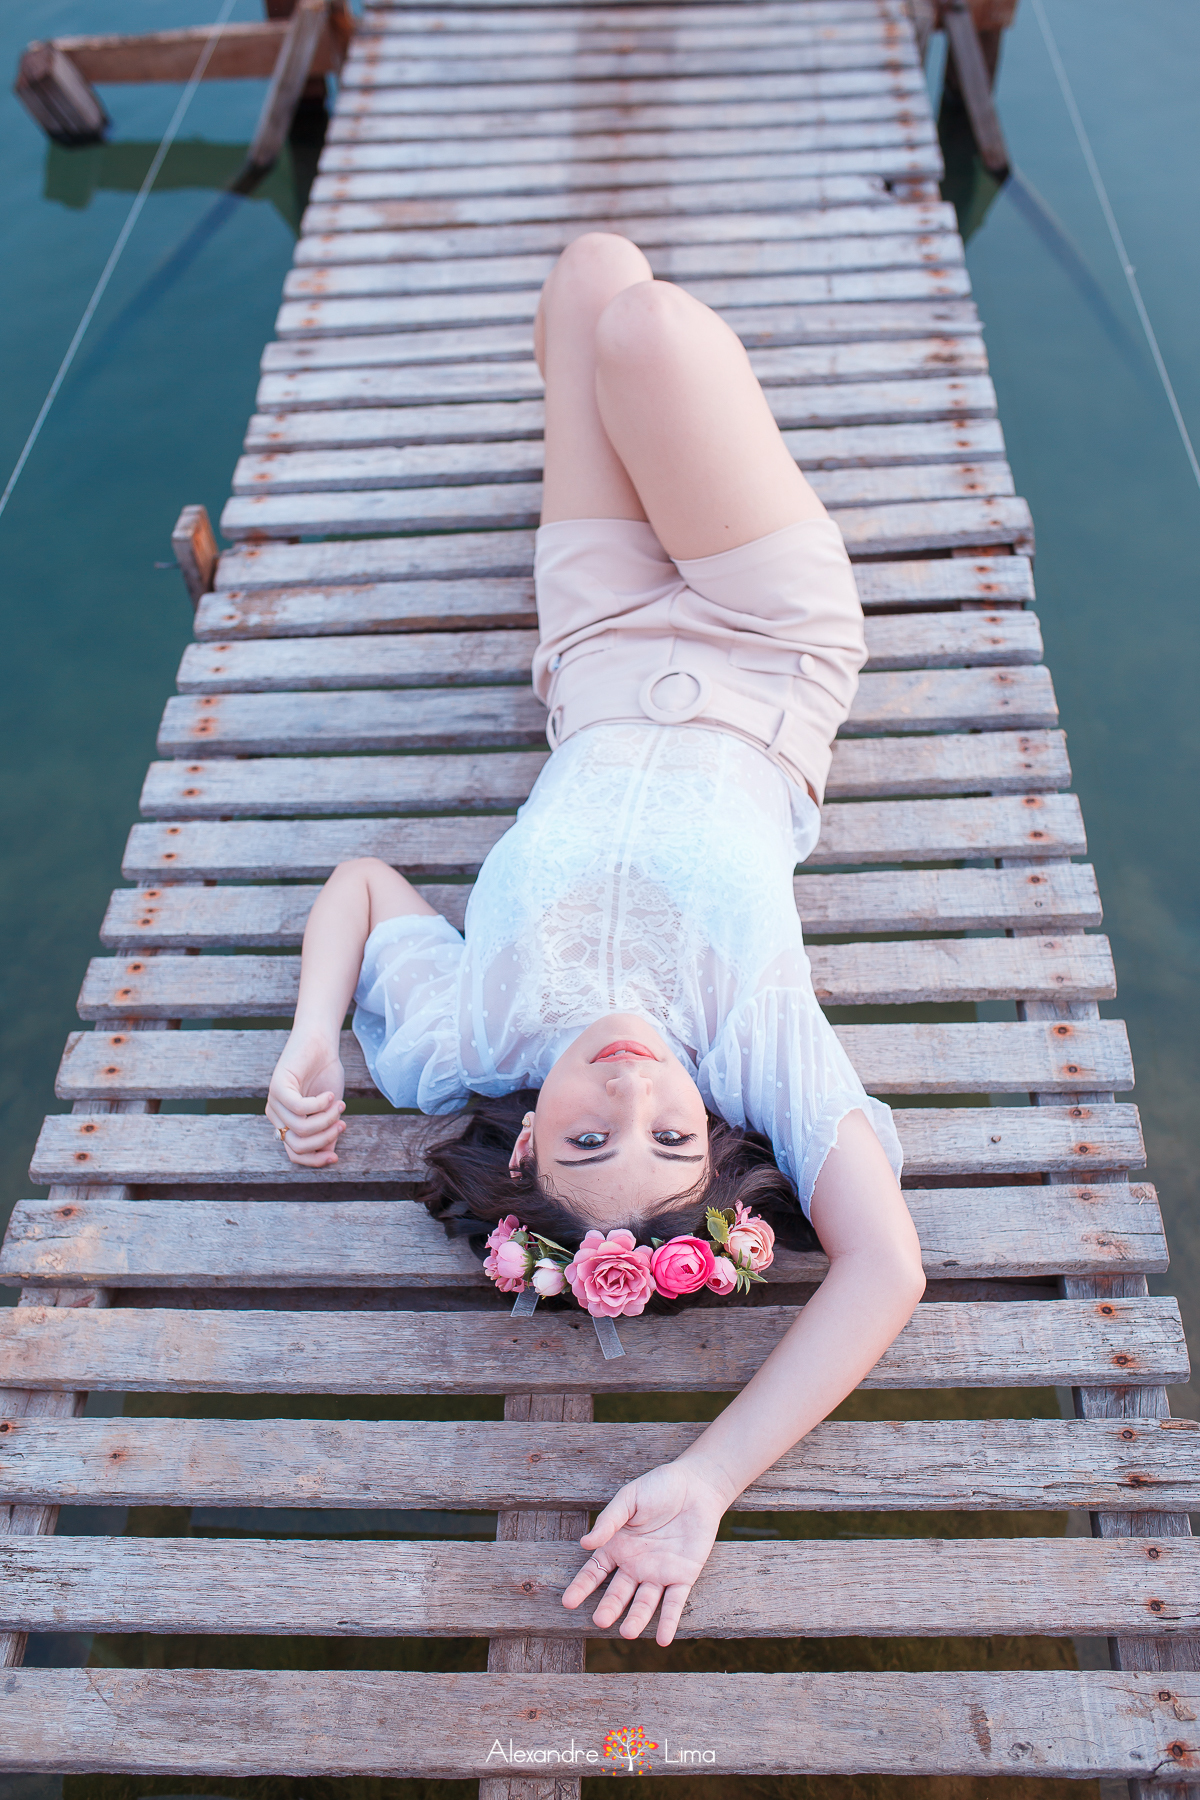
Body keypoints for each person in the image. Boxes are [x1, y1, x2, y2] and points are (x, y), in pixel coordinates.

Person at [265, 232, 926, 1650]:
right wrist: (707, 1479)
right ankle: (672, 430)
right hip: (768, 648)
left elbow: (365, 887)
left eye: (586, 1138)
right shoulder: (753, 1044)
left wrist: (312, 1032)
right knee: (644, 329)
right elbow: (887, 1269)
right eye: (670, 1138)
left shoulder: (468, 1037)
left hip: (601, 641)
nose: (633, 1091)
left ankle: (643, 433)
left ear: (521, 1146)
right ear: (711, 1132)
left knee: (590, 273)